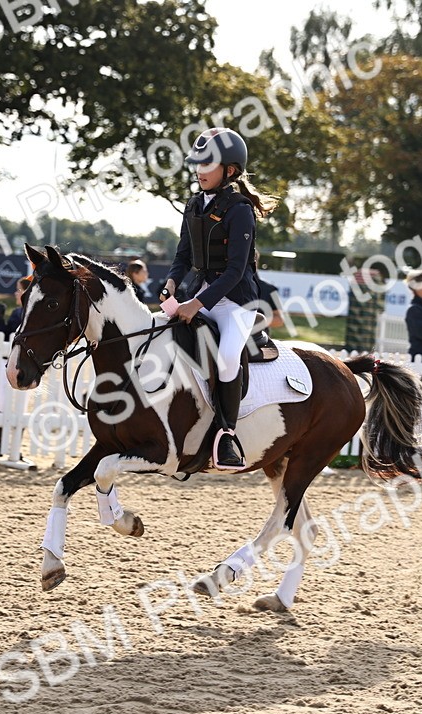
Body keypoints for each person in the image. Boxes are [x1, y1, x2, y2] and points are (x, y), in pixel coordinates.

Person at [163, 127, 277, 470]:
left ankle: (227, 434)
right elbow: (183, 255)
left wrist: (196, 304)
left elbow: (234, 271)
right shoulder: (194, 203)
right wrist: (170, 285)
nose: (199, 171)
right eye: (196, 164)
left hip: (237, 302)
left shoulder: (240, 210)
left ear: (229, 170)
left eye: (206, 164)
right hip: (199, 292)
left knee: (227, 356)